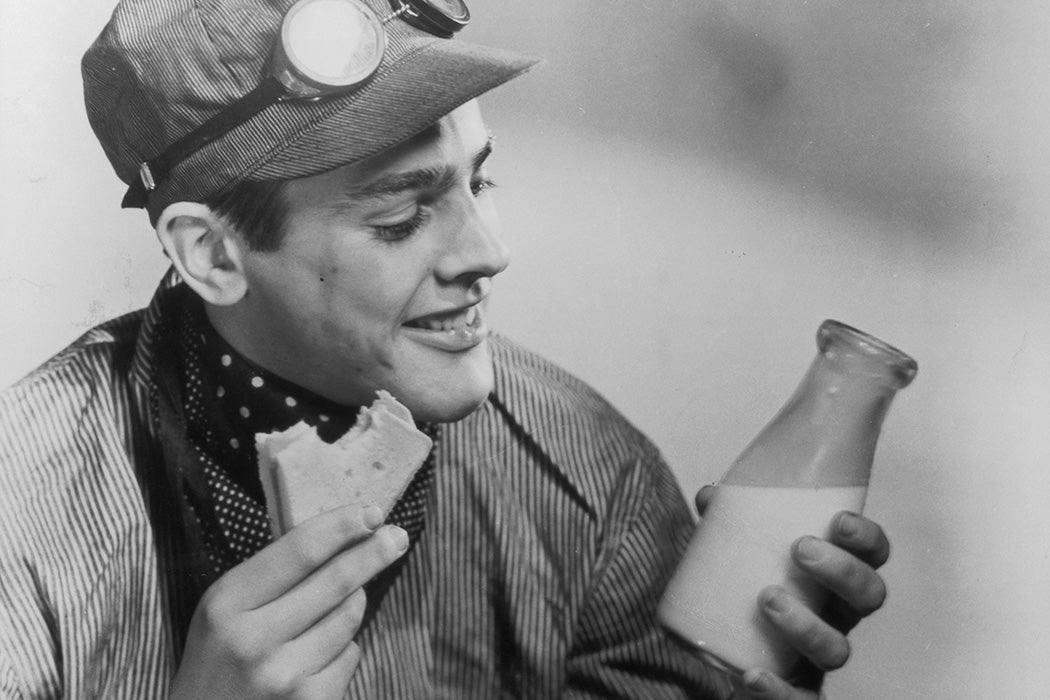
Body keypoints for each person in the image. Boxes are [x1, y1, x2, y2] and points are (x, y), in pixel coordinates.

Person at [0, 1, 891, 698]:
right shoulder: (22, 509)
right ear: (213, 253)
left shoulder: (591, 472)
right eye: (401, 215)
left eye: (481, 178)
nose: (488, 253)